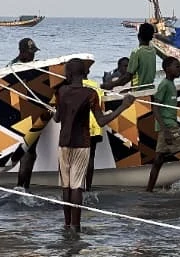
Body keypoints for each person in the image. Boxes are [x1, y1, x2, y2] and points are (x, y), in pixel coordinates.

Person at [53, 58, 133, 232]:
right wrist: (123, 106)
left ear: (68, 74)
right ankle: (76, 226)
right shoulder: (90, 94)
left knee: (66, 186)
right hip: (82, 143)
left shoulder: (61, 91)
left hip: (63, 143)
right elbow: (101, 121)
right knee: (77, 187)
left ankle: (67, 224)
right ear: (84, 74)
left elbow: (57, 118)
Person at [147, 56, 180, 192]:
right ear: (167, 69)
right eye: (177, 67)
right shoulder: (165, 85)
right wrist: (165, 130)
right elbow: (155, 107)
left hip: (169, 125)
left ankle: (149, 190)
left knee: (159, 160)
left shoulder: (171, 84)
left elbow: (169, 105)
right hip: (168, 126)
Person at [9, 38, 42, 190]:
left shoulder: (32, 67)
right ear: (22, 51)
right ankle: (22, 186)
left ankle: (22, 186)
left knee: (29, 151)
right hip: (22, 115)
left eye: (34, 52)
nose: (33, 56)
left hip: (32, 113)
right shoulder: (13, 68)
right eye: (30, 52)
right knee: (28, 151)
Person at [82, 58, 107, 190]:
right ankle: (88, 187)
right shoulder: (95, 85)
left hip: (80, 126)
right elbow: (101, 105)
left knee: (77, 158)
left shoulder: (70, 87)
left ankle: (76, 187)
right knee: (90, 157)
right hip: (95, 125)